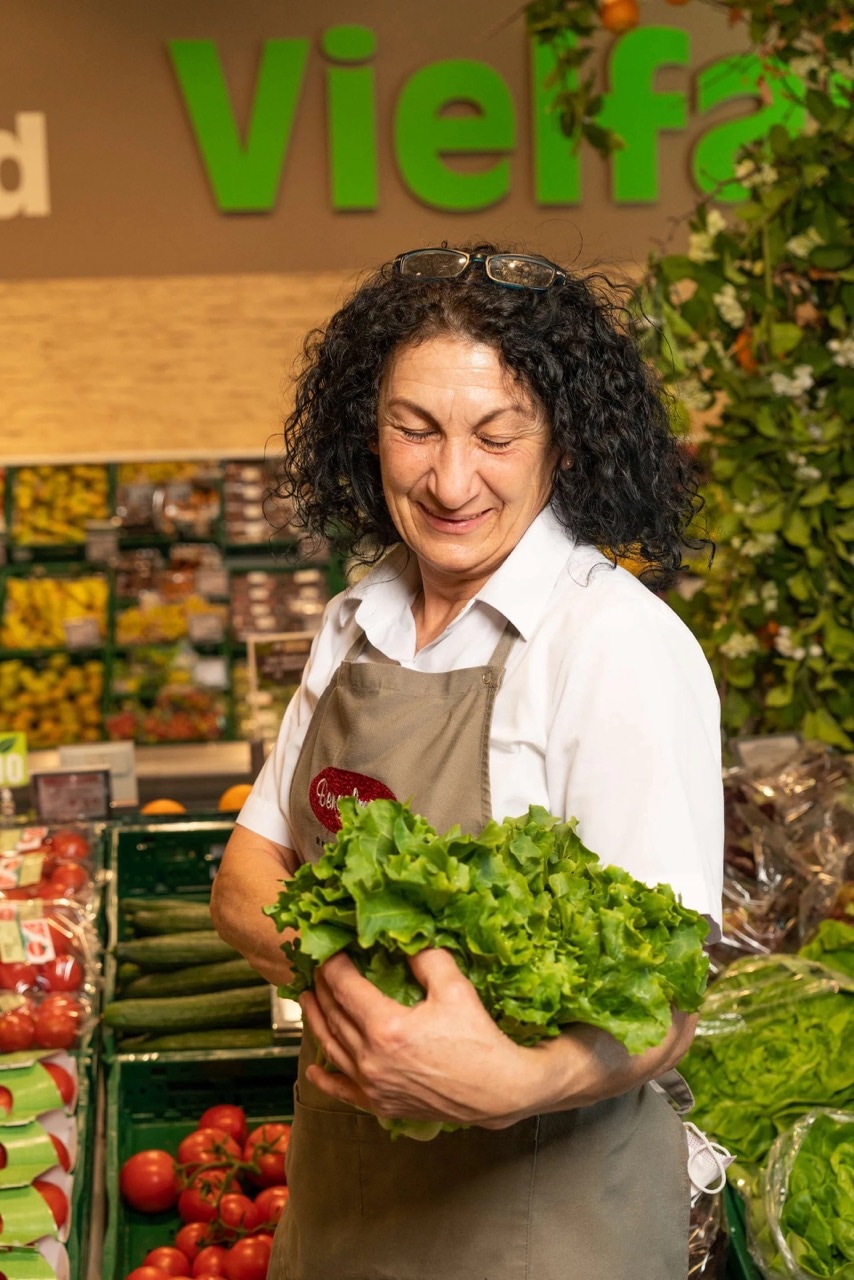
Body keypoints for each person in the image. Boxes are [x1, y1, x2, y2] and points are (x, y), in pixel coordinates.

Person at [211, 243, 724, 1280]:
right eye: (414, 428)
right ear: (369, 428)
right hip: (342, 1197)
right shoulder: (356, 619)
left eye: (496, 434)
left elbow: (666, 1000)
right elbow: (242, 880)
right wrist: (385, 1018)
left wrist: (507, 1080)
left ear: (561, 444)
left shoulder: (613, 646)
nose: (450, 479)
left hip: (538, 1223)